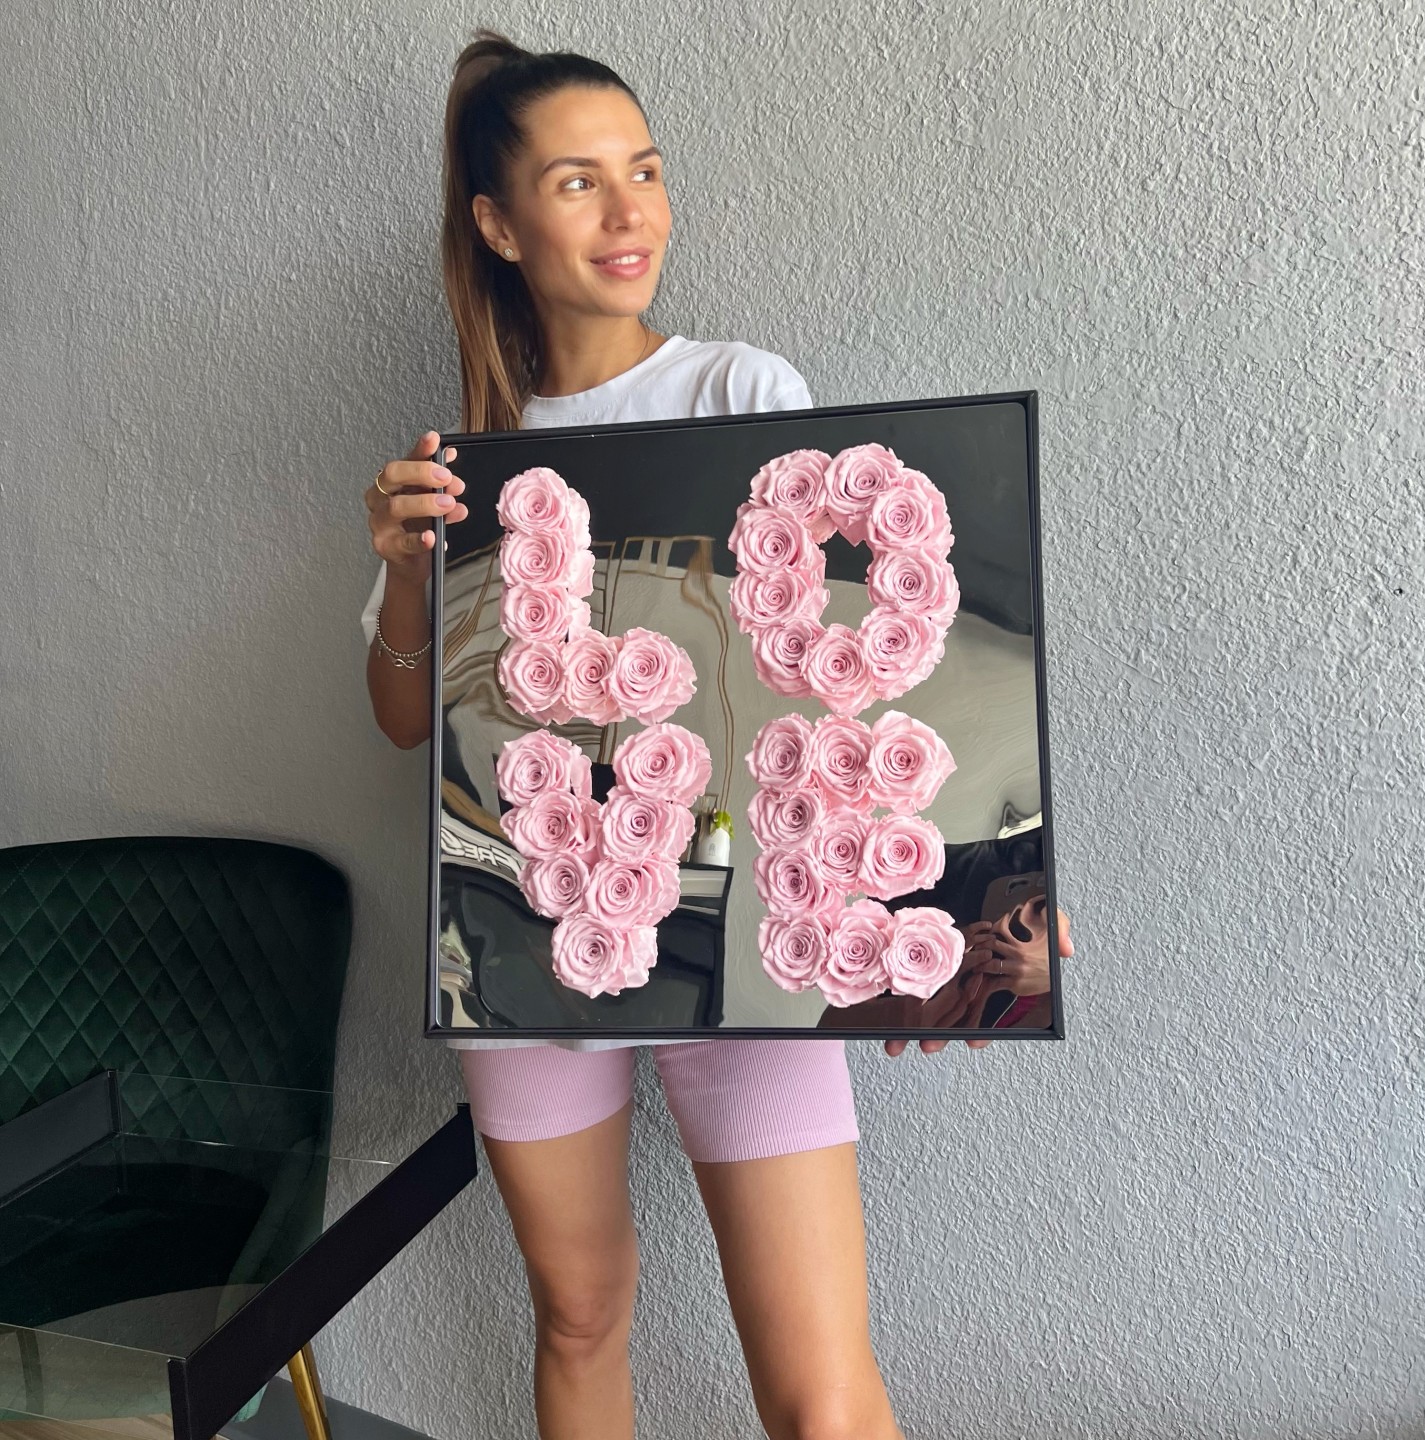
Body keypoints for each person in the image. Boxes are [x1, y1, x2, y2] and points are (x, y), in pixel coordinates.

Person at [360, 31, 1074, 1440]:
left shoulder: (739, 393)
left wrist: (935, 917)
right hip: (520, 926)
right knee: (578, 1316)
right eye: (579, 182)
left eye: (646, 171)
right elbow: (404, 722)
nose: (633, 214)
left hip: (750, 921)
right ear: (498, 226)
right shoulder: (460, 469)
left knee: (819, 1390)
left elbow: (853, 693)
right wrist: (401, 571)